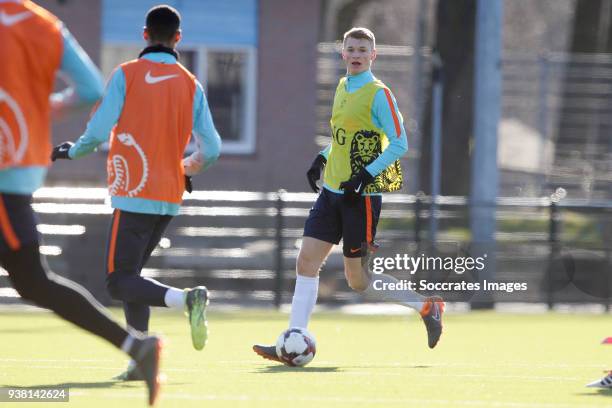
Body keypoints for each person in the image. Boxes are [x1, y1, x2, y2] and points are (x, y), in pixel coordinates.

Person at [0, 0, 161, 404]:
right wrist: (48, 105)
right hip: (22, 163)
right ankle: (135, 347)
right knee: (33, 281)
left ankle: (135, 346)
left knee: (33, 281)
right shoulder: (43, 24)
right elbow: (90, 87)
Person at [253, 27, 444, 364]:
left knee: (357, 281)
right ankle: (293, 339)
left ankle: (427, 306)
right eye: (351, 48)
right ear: (342, 53)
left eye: (362, 49)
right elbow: (345, 140)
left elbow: (399, 143)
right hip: (332, 192)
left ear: (373, 56)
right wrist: (323, 157)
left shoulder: (378, 93)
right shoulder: (343, 86)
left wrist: (365, 176)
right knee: (306, 262)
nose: (356, 54)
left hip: (362, 196)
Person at [51, 4, 221, 380]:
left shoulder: (127, 74)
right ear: (178, 38)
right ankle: (140, 359)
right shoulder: (191, 83)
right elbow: (211, 149)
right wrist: (186, 167)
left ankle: (186, 298)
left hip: (133, 192)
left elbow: (97, 130)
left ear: (144, 35)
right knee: (134, 278)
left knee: (117, 280)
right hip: (169, 197)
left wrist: (72, 150)